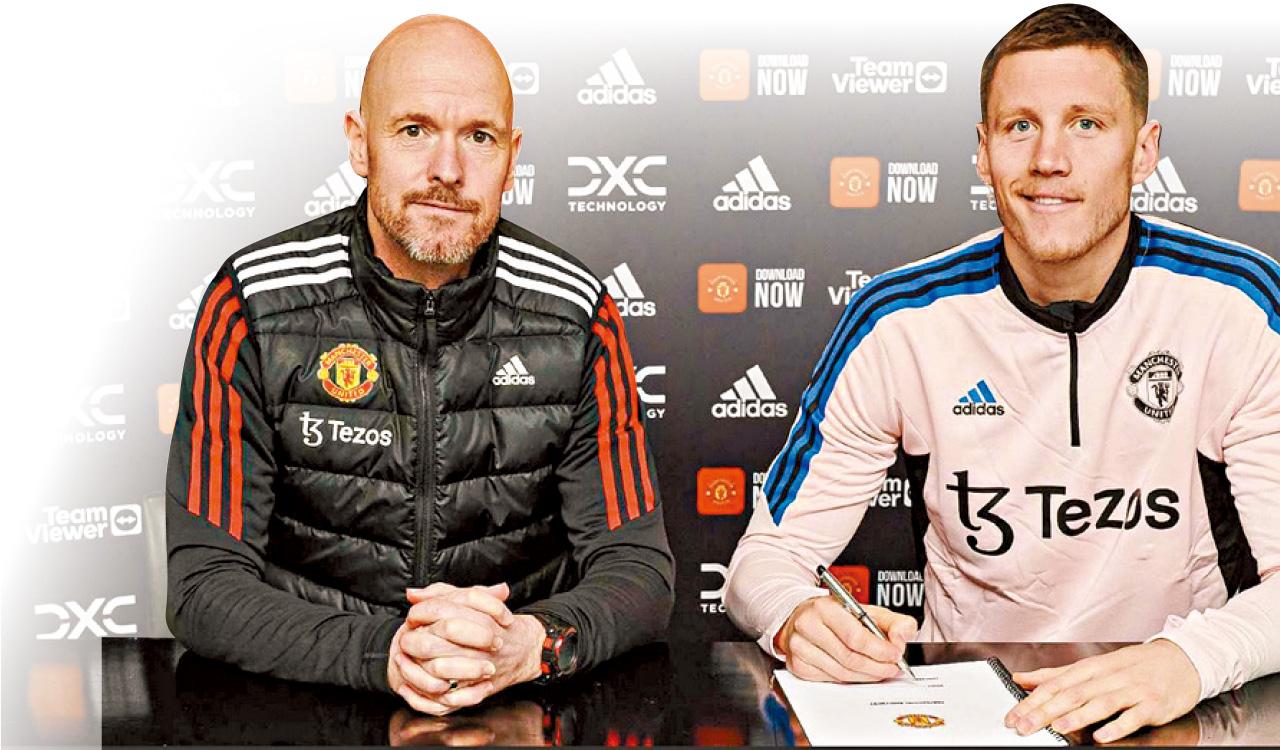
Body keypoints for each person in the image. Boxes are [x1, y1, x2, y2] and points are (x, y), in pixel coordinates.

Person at [725, 3, 1280, 742]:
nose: (1049, 158)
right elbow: (765, 560)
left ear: (1144, 151)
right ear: (984, 151)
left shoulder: (1239, 305)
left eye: (1087, 124)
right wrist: (797, 617)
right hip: (976, 719)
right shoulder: (898, 320)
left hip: (1175, 713)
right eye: (1020, 126)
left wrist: (1184, 659)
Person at [165, 15, 673, 716]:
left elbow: (638, 571)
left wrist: (531, 644)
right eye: (414, 130)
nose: (448, 170)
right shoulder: (254, 302)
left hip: (514, 705)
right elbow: (204, 585)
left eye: (480, 137)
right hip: (307, 706)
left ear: (512, 157)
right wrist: (387, 653)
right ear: (360, 143)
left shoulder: (575, 312)